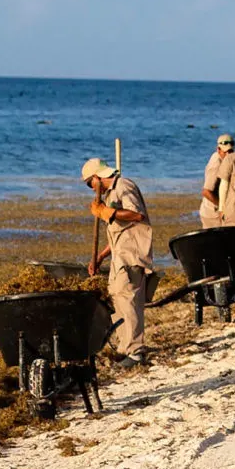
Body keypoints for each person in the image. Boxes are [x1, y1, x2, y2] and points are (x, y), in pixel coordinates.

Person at [82, 158, 154, 368]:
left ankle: (136, 352)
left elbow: (136, 214)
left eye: (89, 184)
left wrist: (105, 212)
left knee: (129, 300)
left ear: (97, 177)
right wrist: (101, 256)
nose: (91, 188)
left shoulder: (123, 185)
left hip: (132, 254)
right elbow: (117, 233)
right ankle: (124, 347)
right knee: (116, 298)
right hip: (119, 255)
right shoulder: (111, 194)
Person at [199, 134, 235, 228]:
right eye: (225, 152)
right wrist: (222, 207)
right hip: (212, 214)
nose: (228, 154)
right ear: (218, 149)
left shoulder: (224, 159)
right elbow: (206, 192)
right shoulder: (216, 165)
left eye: (230, 151)